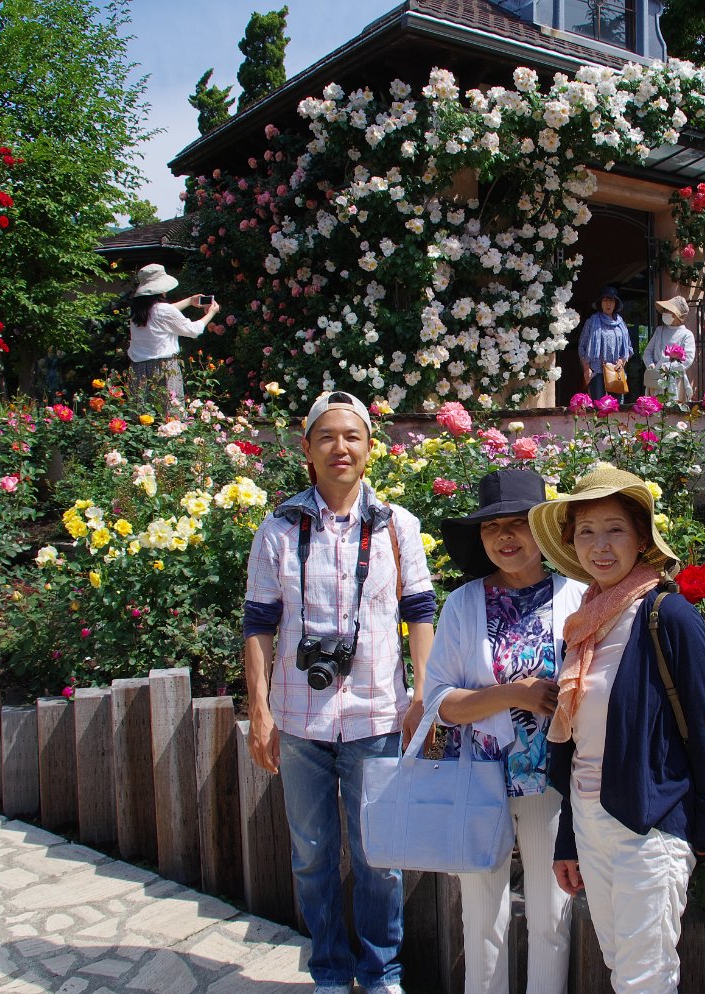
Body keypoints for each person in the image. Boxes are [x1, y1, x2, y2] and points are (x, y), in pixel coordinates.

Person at [242, 390, 436, 994]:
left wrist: (422, 695)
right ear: (307, 449)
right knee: (311, 855)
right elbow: (258, 623)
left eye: (352, 436)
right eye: (327, 436)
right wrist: (259, 710)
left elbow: (419, 612)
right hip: (299, 719)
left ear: (370, 448)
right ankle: (328, 970)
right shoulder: (278, 527)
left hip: (377, 715)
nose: (340, 447)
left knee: (381, 856)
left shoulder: (398, 526)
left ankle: (382, 974)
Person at [528, 466, 705, 994]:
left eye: (614, 529)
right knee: (621, 966)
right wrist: (569, 839)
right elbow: (575, 744)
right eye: (586, 531)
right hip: (591, 819)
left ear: (642, 538)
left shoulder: (669, 615)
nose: (600, 545)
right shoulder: (584, 626)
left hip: (649, 821)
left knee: (645, 978)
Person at [426, 468, 586, 994]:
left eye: (518, 523)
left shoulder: (578, 597)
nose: (505, 537)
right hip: (479, 778)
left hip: (551, 782)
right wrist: (513, 695)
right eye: (492, 527)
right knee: (481, 915)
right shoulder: (463, 604)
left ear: (543, 530)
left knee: (551, 913)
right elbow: (439, 704)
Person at [128, 263, 218, 407]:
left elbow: (161, 312)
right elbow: (193, 330)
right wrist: (211, 313)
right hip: (163, 368)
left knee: (142, 413)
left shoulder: (136, 311)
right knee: (170, 413)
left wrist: (189, 301)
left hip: (138, 370)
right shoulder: (163, 310)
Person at [578, 286, 632, 402]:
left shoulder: (621, 324)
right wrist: (586, 368)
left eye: (611, 300)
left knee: (616, 407)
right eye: (605, 300)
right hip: (597, 370)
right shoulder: (591, 322)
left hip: (615, 370)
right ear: (600, 303)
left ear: (616, 304)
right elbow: (582, 346)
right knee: (599, 406)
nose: (608, 304)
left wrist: (622, 361)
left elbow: (628, 348)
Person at [642, 295, 696, 403]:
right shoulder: (659, 331)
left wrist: (669, 367)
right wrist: (650, 364)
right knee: (656, 408)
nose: (665, 313)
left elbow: (688, 359)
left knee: (675, 408)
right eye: (665, 310)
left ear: (677, 314)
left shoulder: (686, 334)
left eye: (669, 311)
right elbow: (647, 352)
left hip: (675, 380)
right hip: (656, 378)